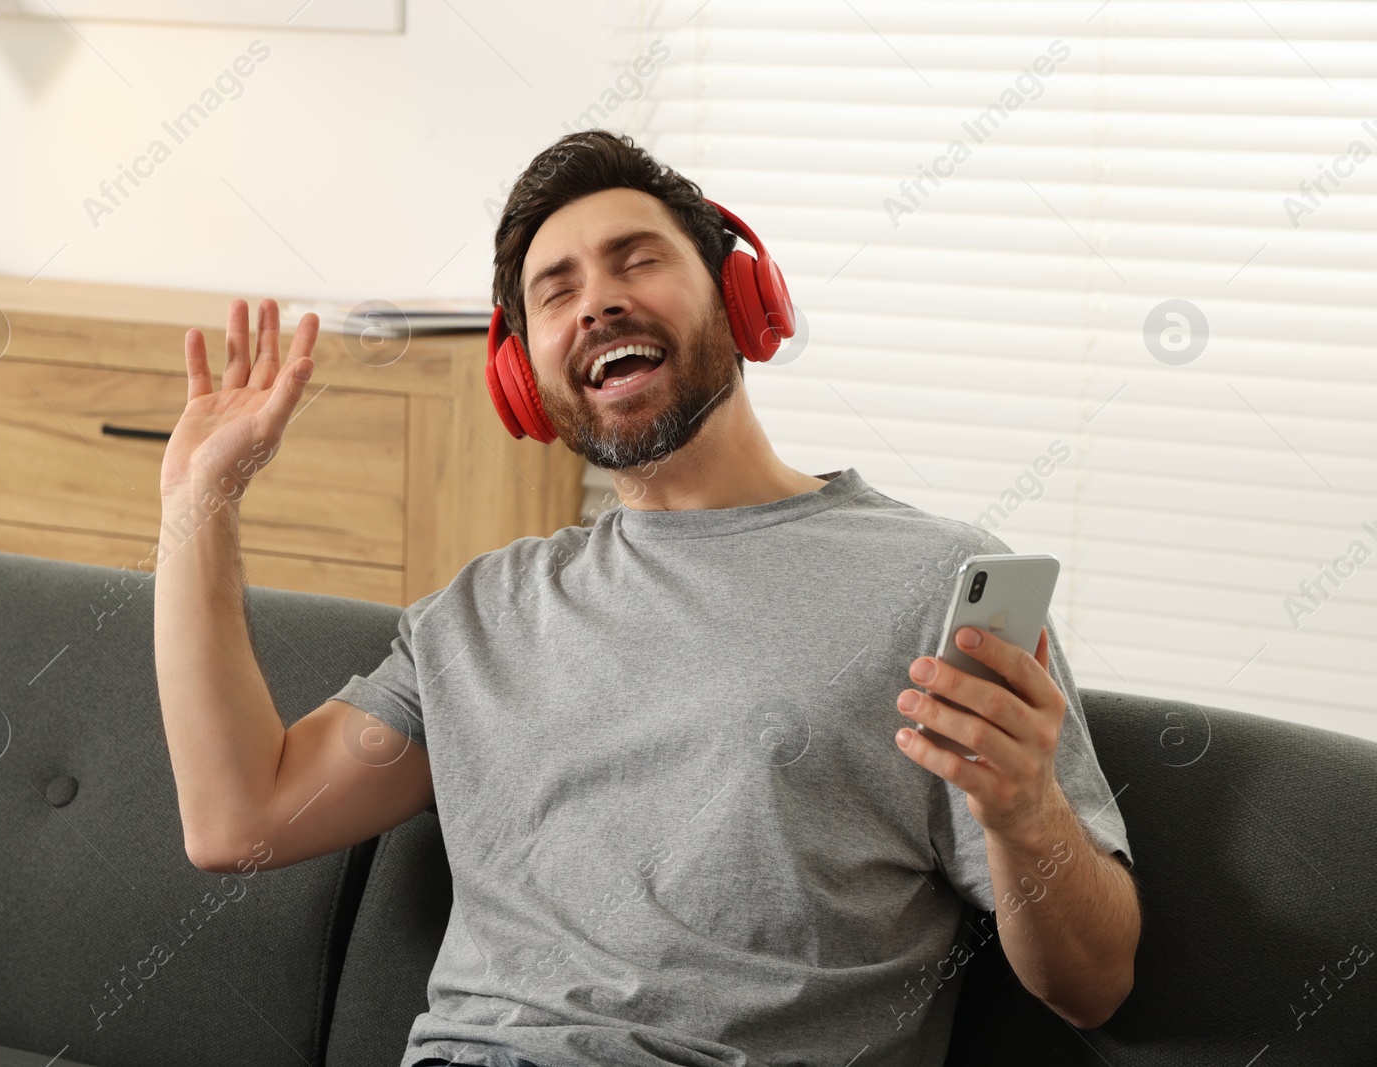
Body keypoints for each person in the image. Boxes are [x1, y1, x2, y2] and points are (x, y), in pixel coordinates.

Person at [152, 130, 1140, 1067]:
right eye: (557, 290)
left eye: (637, 260)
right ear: (522, 375)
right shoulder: (480, 616)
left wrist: (1024, 815)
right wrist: (201, 504)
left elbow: (1091, 982)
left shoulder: (934, 583)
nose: (597, 302)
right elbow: (241, 817)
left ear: (743, 299)